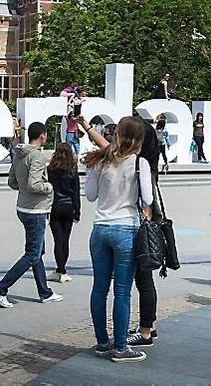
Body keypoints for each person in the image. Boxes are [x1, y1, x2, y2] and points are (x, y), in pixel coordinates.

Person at [83, 116, 152, 363]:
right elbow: (148, 200)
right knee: (122, 292)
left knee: (99, 288)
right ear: (139, 138)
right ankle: (121, 347)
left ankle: (102, 342)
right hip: (126, 228)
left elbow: (90, 195)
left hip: (100, 228)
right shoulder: (139, 163)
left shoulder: (99, 161)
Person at [0, 122, 62, 308]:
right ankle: (1, 288)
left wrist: (24, 189)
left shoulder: (19, 153)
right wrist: (50, 187)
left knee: (37, 252)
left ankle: (45, 292)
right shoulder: (36, 156)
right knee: (32, 254)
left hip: (23, 207)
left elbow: (12, 181)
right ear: (43, 136)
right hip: (35, 210)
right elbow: (34, 185)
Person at [46, 143, 80, 283]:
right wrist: (77, 210)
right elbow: (76, 192)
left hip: (55, 206)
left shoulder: (51, 169)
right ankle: (63, 270)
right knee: (66, 240)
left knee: (57, 240)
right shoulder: (73, 169)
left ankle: (59, 269)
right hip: (68, 206)